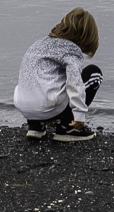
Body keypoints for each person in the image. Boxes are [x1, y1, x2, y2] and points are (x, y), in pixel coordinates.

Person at [14, 8, 102, 142]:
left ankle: (36, 126)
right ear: (87, 35)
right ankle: (68, 127)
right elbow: (75, 82)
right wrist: (79, 115)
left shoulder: (39, 44)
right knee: (94, 73)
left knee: (39, 79)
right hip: (47, 106)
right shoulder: (71, 49)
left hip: (24, 106)